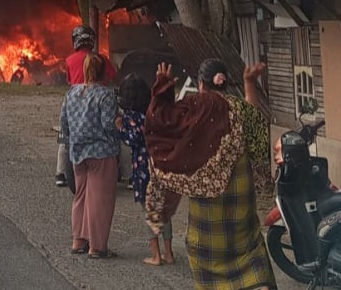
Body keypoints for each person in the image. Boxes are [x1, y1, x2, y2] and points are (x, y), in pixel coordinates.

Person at [145, 60, 276, 290]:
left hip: (205, 237)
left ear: (200, 84)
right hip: (243, 231)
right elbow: (258, 137)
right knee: (256, 279)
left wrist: (162, 92)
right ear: (224, 83)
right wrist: (249, 84)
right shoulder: (240, 110)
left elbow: (159, 125)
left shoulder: (191, 110)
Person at [59, 53, 121, 259]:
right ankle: (98, 246)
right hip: (101, 153)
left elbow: (64, 123)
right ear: (103, 71)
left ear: (85, 70)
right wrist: (118, 136)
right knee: (99, 200)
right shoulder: (106, 95)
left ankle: (78, 241)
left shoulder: (72, 93)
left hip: (78, 153)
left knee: (81, 196)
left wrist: (71, 143)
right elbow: (108, 124)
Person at [115, 74, 174, 267]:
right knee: (163, 209)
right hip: (160, 164)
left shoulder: (132, 117)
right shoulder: (153, 112)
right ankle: (169, 252)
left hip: (142, 168)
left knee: (148, 211)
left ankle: (155, 255)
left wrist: (120, 128)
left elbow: (132, 140)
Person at [55, 25, 118, 187]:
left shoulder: (69, 60)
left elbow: (70, 82)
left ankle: (60, 173)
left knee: (64, 134)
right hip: (98, 100)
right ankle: (126, 172)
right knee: (117, 130)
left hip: (74, 98)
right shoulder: (101, 59)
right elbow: (113, 78)